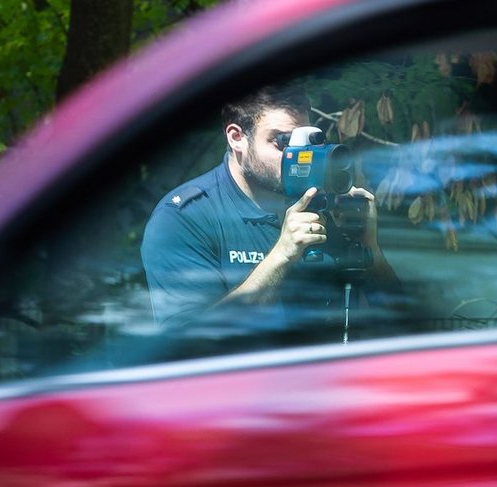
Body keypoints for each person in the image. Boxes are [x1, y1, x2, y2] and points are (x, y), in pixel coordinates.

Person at [140, 86, 399, 332]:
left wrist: (369, 248)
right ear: (237, 138)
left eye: (306, 142)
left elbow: (399, 318)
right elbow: (187, 346)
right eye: (283, 142)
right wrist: (281, 257)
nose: (297, 154)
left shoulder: (323, 204)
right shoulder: (185, 218)